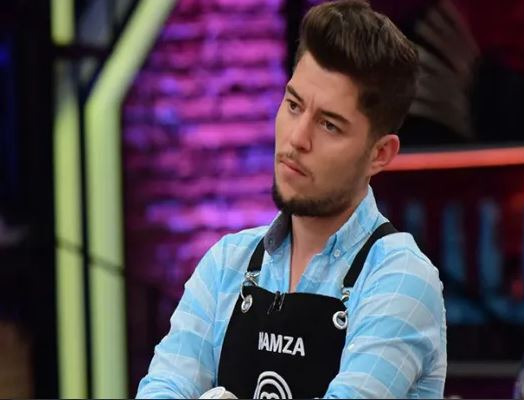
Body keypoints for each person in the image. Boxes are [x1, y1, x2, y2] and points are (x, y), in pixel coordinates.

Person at [137, 0, 446, 398]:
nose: (297, 138)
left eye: (329, 125)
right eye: (294, 105)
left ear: (380, 154)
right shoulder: (226, 264)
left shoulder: (400, 279)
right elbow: (163, 388)